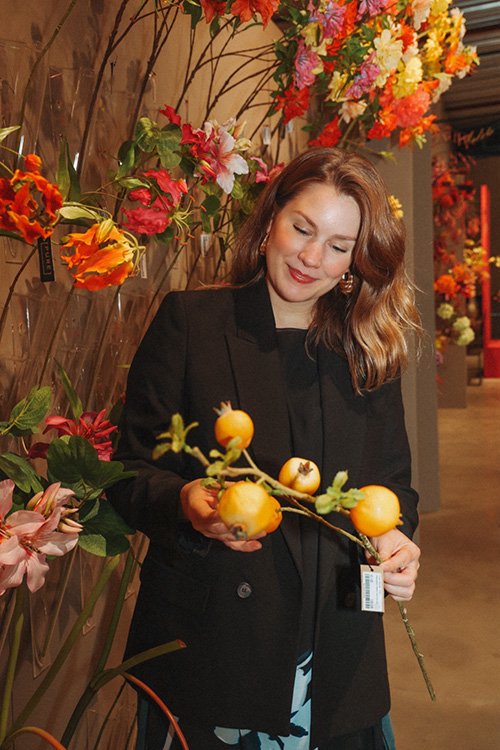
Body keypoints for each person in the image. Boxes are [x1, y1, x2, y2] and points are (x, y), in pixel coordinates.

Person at [107, 146, 422, 750]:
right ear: (271, 217)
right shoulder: (192, 323)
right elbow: (127, 472)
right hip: (213, 653)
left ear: (356, 260)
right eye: (302, 228)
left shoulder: (367, 350)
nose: (311, 257)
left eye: (337, 245)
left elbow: (394, 486)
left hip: (336, 655)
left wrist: (398, 542)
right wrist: (185, 503)